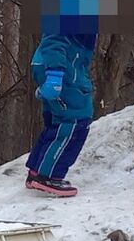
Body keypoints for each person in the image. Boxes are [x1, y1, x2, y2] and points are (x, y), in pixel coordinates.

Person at [26, 26, 95, 198]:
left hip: (65, 64)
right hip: (61, 65)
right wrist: (55, 74)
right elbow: (55, 34)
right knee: (75, 121)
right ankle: (48, 176)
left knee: (57, 121)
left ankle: (37, 170)